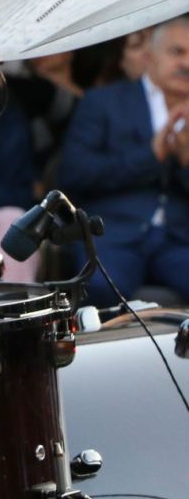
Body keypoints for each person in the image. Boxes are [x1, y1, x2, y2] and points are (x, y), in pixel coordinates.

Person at [56, 17, 189, 307]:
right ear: (149, 56)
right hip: (114, 233)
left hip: (180, 239)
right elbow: (74, 174)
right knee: (103, 290)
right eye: (177, 52)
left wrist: (185, 160)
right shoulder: (104, 102)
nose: (186, 64)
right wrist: (151, 154)